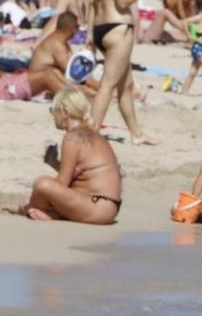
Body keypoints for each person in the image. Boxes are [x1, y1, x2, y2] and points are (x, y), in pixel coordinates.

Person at [9, 85, 122, 224]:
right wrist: (54, 163)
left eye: (53, 110)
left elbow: (62, 182)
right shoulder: (94, 135)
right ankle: (52, 212)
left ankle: (27, 210)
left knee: (41, 184)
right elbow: (81, 175)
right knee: (43, 191)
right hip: (108, 207)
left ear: (64, 112)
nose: (52, 116)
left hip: (97, 206)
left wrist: (33, 199)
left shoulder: (73, 137)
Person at [85, 0, 155, 143]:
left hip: (100, 28)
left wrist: (89, 35)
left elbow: (92, 3)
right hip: (118, 28)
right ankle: (90, 134)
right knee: (108, 85)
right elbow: (123, 1)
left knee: (126, 86)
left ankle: (136, 134)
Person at [25, 10, 82, 98]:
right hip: (40, 88)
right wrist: (99, 87)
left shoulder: (59, 41)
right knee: (82, 90)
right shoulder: (56, 44)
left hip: (42, 83)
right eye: (77, 27)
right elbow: (74, 73)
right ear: (73, 29)